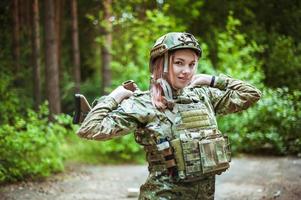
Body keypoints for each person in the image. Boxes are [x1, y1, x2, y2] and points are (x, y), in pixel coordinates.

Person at [77, 32, 261, 200]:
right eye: (179, 63)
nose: (186, 71)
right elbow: (89, 129)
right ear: (161, 64)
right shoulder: (144, 103)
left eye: (192, 64)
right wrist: (114, 97)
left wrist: (213, 80)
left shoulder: (203, 96)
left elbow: (251, 94)